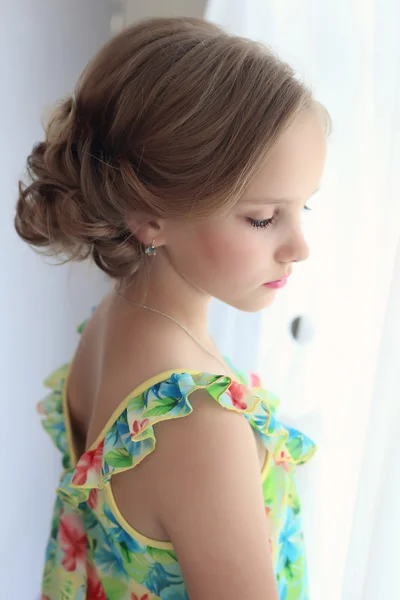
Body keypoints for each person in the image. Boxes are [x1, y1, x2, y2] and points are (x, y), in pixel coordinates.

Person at [15, 16, 329, 600]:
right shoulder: (197, 425)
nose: (299, 248)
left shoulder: (112, 322)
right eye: (263, 217)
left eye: (304, 207)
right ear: (148, 214)